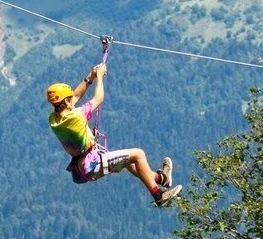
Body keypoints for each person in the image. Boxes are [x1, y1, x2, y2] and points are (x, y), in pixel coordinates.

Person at [46, 63, 182, 207]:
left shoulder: (54, 119)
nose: (73, 98)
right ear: (66, 101)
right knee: (138, 154)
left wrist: (89, 78)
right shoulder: (77, 116)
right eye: (70, 98)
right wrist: (99, 77)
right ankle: (159, 196)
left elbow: (74, 98)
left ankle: (161, 178)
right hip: (93, 164)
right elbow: (98, 98)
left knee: (129, 162)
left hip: (82, 167)